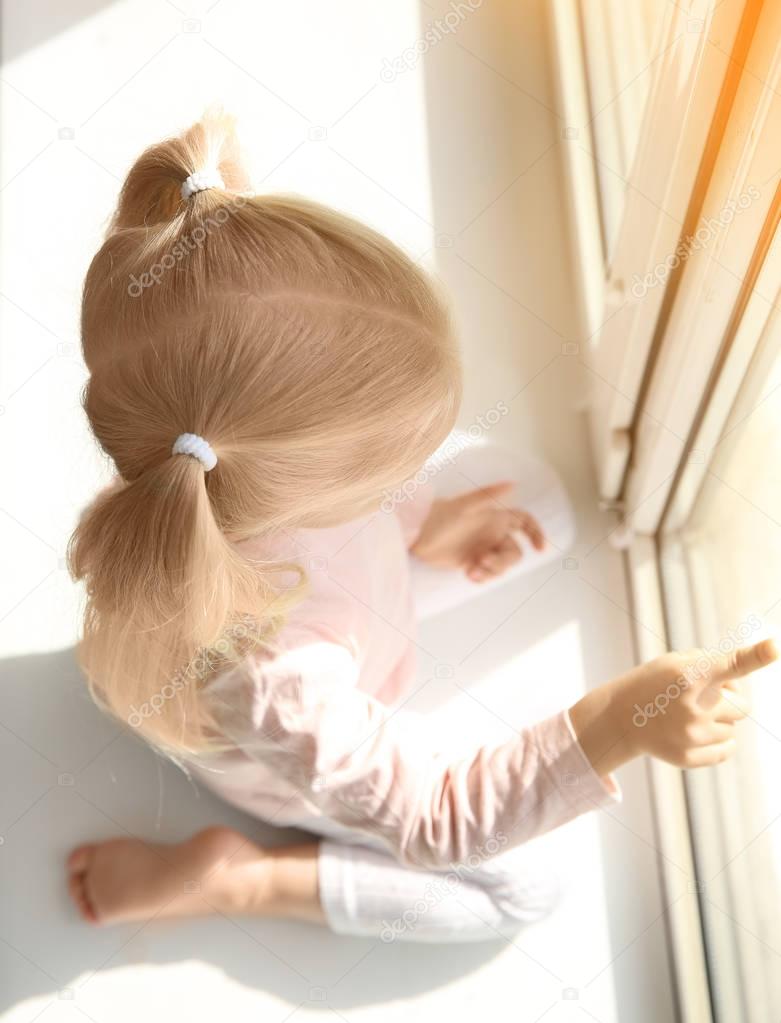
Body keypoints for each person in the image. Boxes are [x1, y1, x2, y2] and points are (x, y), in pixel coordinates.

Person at [65, 111, 777, 941]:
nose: (423, 458)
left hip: (325, 577)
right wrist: (617, 720)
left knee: (537, 495)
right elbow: (441, 818)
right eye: (401, 458)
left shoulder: (205, 450)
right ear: (329, 481)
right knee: (527, 889)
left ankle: (402, 525)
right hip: (308, 677)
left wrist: (419, 519)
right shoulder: (276, 681)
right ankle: (248, 880)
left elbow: (336, 508)